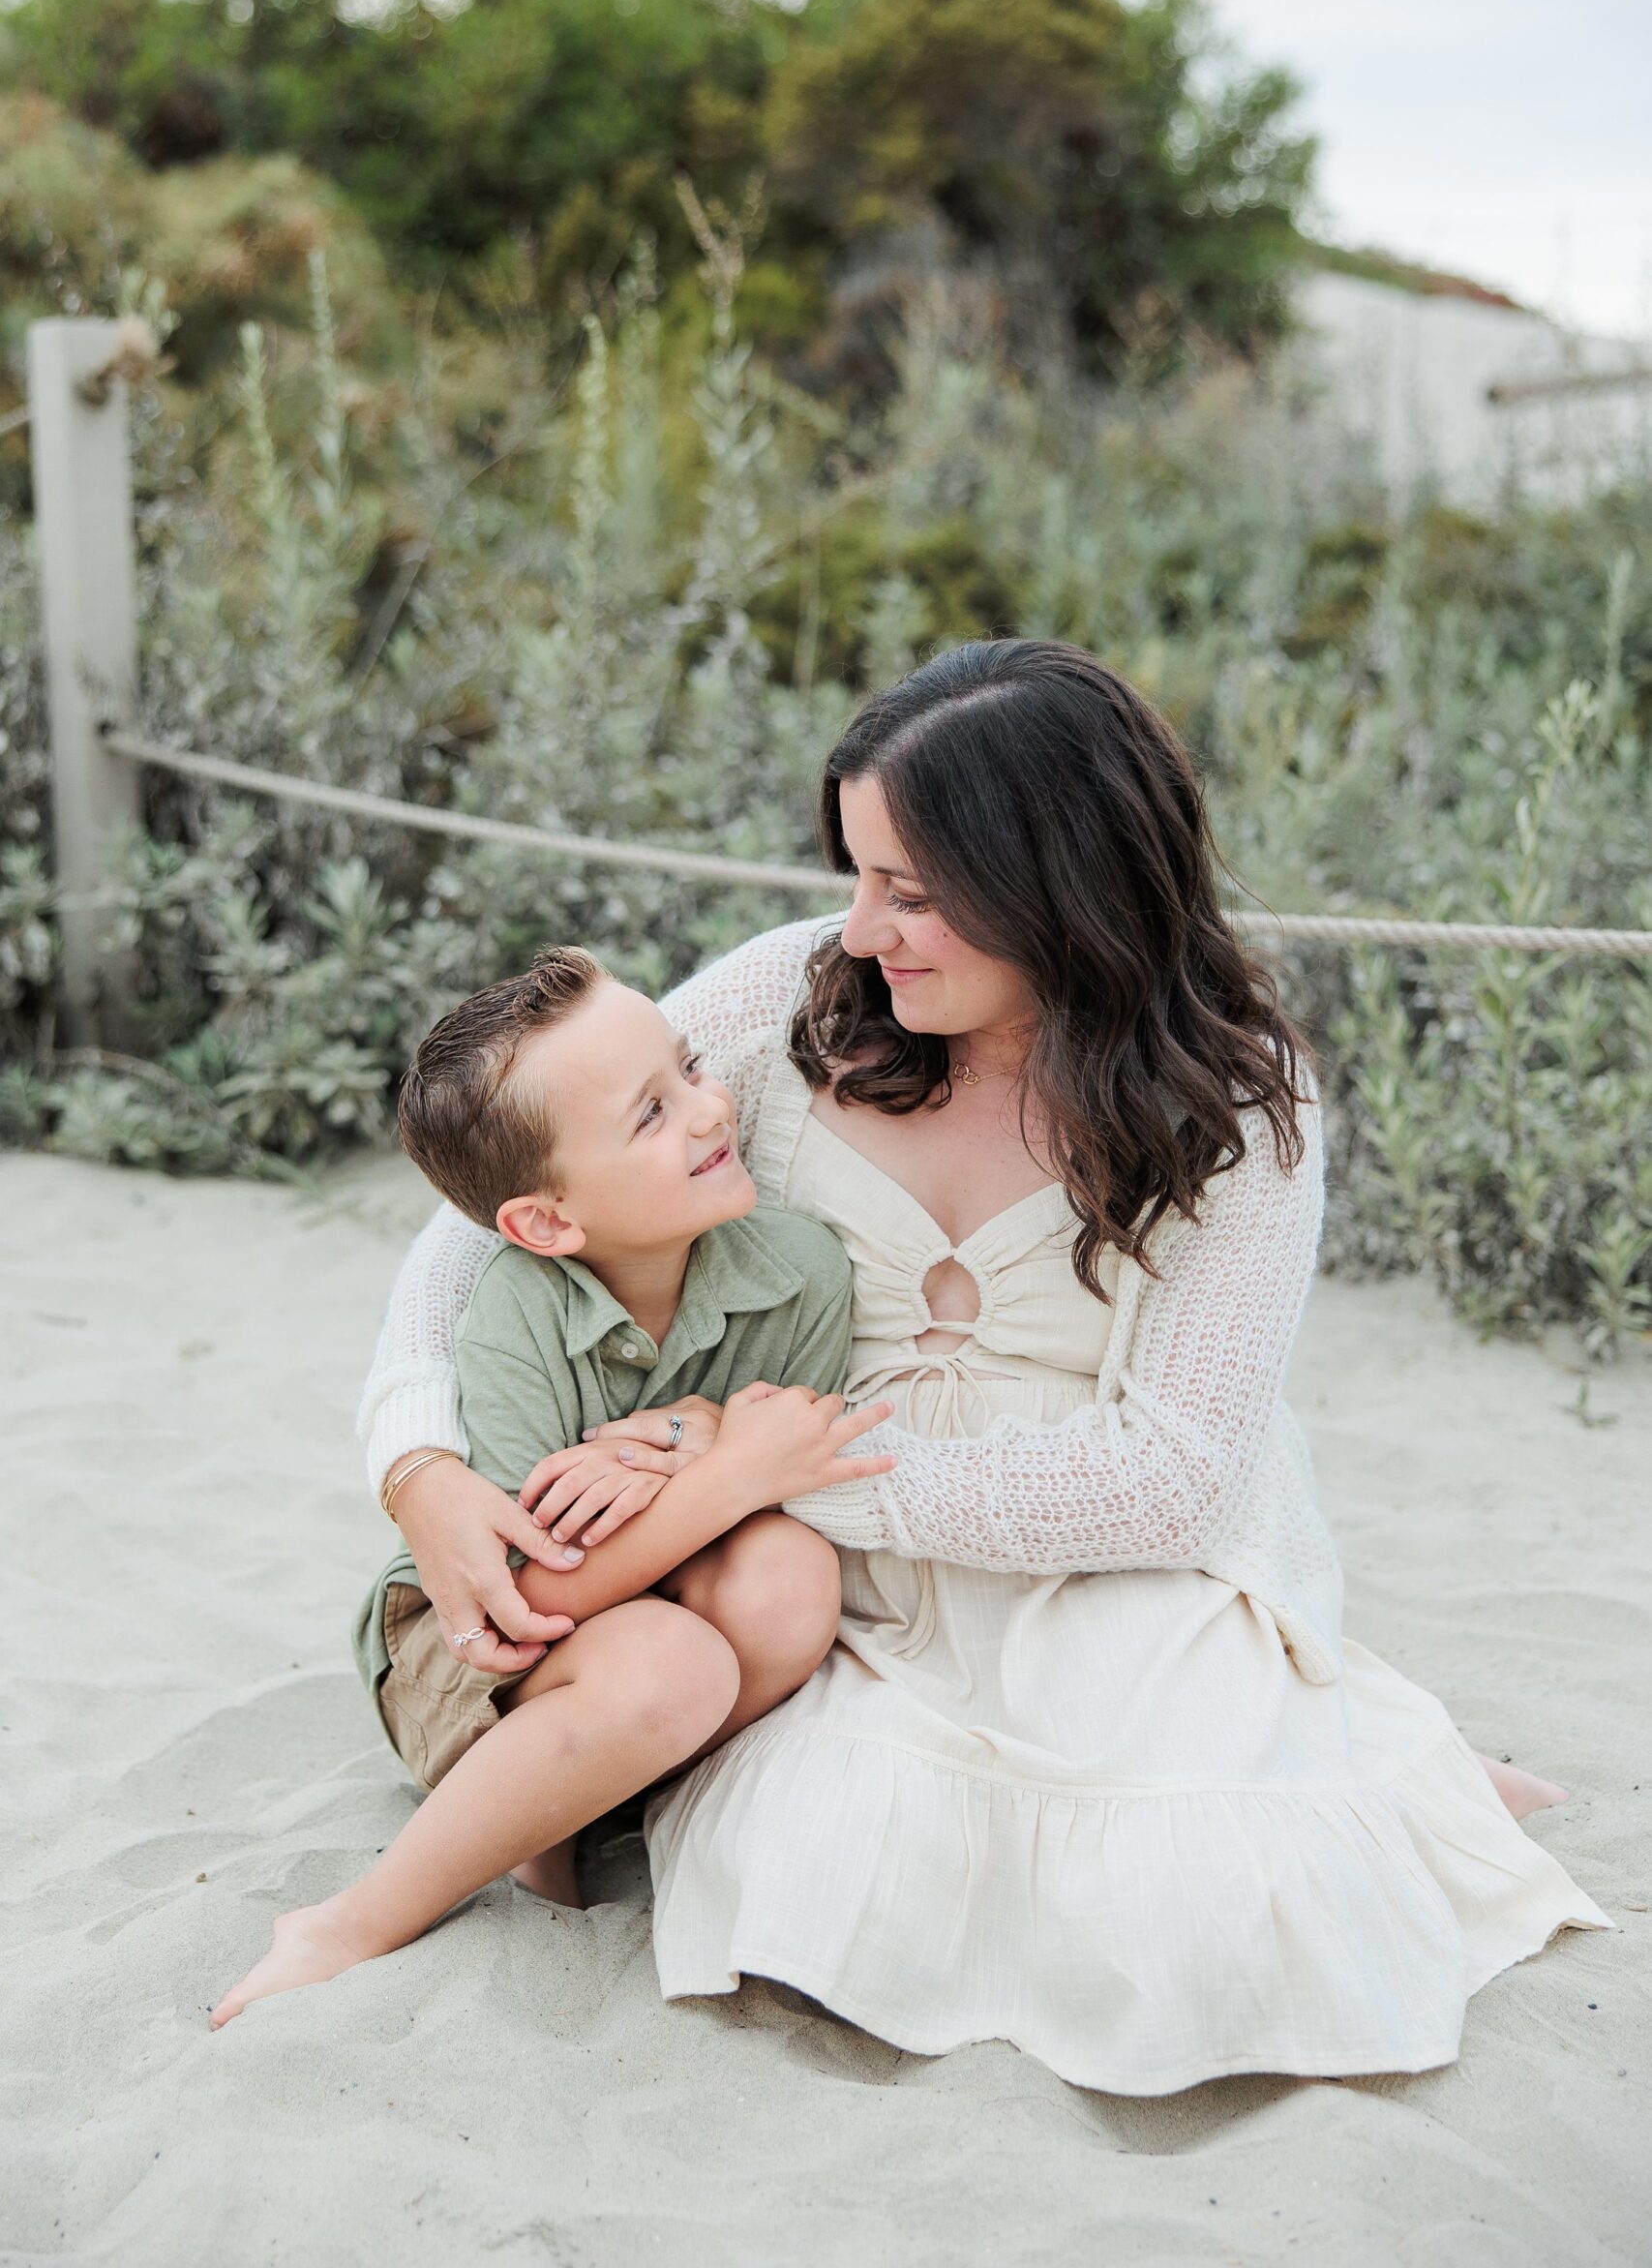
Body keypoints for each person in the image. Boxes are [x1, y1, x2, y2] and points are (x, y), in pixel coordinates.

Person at [359, 642, 1608, 2093]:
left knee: (1214, 1886)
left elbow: (1171, 1480)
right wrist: (416, 1458)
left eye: (910, 889)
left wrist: (766, 1470)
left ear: (1056, 879)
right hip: (811, 1567)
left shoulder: (1239, 1098)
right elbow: (479, 1230)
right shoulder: (792, 1001)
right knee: (817, 1862)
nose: (861, 925)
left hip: (1093, 1545)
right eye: (855, 872)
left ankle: (1370, 1760)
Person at [211, 949, 893, 2026]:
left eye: (690, 1070)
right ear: (546, 1222)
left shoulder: (800, 1269)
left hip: (653, 1614)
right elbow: (528, 1597)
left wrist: (713, 1440)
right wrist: (724, 1476)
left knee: (792, 1578)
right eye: (650, 1115)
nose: (714, 1110)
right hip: (476, 1640)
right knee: (671, 1664)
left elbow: (784, 1470)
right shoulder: (516, 1308)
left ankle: (581, 1802)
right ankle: (360, 1915)